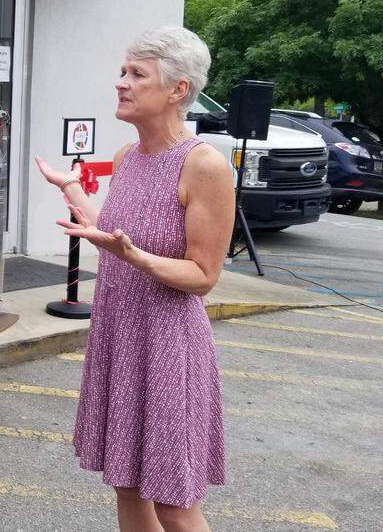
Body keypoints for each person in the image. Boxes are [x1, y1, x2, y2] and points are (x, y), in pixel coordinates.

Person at [36, 26, 234, 532]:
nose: (121, 83)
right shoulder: (127, 158)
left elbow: (204, 275)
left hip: (167, 346)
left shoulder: (204, 165)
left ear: (177, 90)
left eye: (136, 74)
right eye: (123, 72)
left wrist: (138, 258)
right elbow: (117, 234)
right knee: (126, 482)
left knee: (172, 499)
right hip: (121, 336)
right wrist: (75, 196)